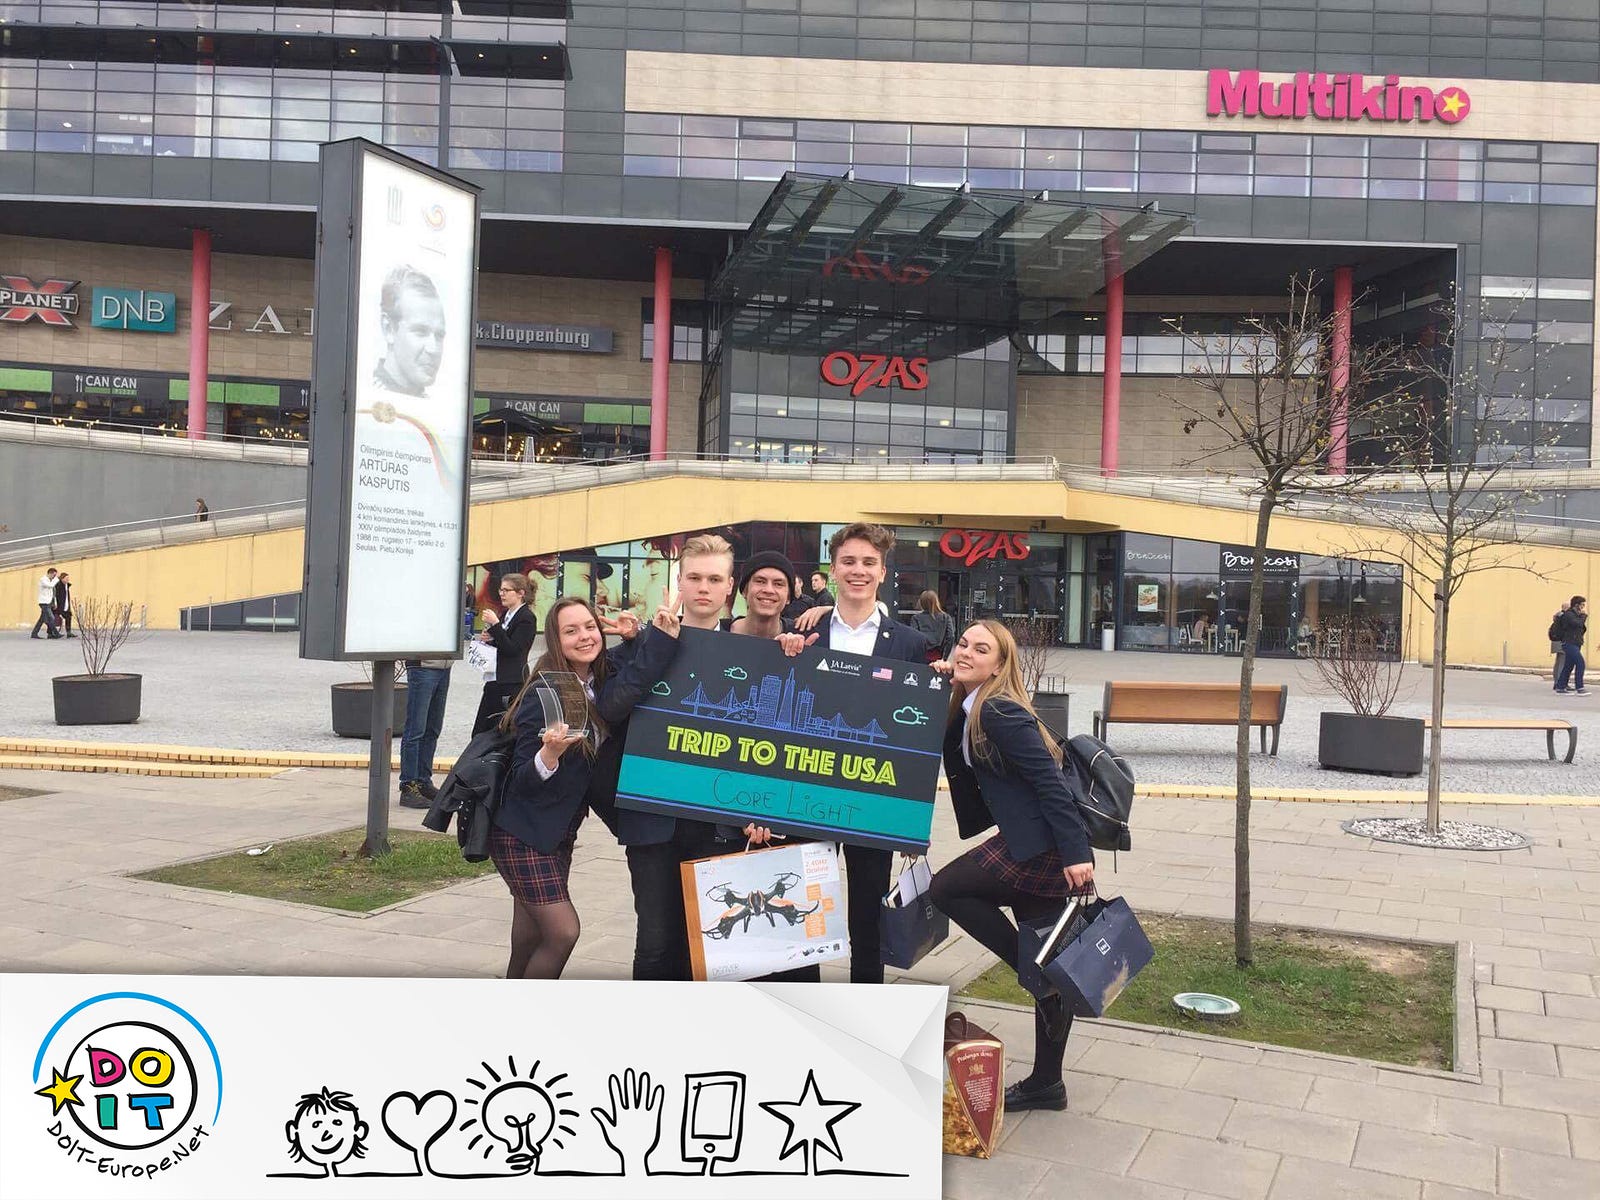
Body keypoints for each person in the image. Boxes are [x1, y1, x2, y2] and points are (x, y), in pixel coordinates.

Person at [926, 619, 1094, 1113]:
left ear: (1000, 665)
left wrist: (1076, 853)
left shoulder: (999, 710)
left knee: (947, 889)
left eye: (981, 650)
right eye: (963, 644)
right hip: (1030, 841)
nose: (966, 652)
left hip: (1042, 847)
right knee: (1049, 965)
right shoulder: (973, 704)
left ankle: (1034, 970)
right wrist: (946, 684)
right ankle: (1047, 1084)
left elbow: (1049, 782)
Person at [490, 595, 681, 979]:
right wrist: (549, 754)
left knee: (529, 935)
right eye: (571, 631)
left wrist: (634, 637)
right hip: (522, 834)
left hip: (557, 833)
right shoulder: (545, 693)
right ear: (555, 640)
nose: (584, 637)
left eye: (590, 627)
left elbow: (632, 674)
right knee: (563, 932)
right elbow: (522, 779)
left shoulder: (596, 679)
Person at [779, 522, 929, 984]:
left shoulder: (909, 644)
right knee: (804, 915)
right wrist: (783, 652)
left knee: (867, 919)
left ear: (882, 572)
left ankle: (864, 1008)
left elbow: (918, 734)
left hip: (871, 800)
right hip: (808, 794)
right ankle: (804, 1009)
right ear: (833, 568)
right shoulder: (802, 631)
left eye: (868, 562)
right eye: (848, 561)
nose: (858, 570)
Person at [613, 534, 740, 980]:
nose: (704, 587)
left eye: (714, 579)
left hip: (719, 823)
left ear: (729, 587)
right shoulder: (642, 643)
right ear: (679, 582)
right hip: (653, 820)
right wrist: (657, 644)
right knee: (654, 944)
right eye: (695, 577)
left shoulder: (753, 652)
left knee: (710, 947)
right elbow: (611, 707)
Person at [472, 573, 537, 734]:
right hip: (495, 678)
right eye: (501, 590)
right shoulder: (505, 614)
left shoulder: (526, 618)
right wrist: (490, 639)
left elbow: (513, 649)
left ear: (520, 593)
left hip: (512, 681)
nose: (502, 594)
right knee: (480, 730)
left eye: (506, 590)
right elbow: (501, 642)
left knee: (502, 729)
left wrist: (495, 625)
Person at [372, 265, 445, 398]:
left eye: (439, 335)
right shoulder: (369, 399)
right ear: (388, 329)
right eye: (420, 332)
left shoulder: (433, 406)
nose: (433, 349)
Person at [398, 652, 452, 809]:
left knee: (432, 730)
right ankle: (408, 785)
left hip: (444, 665)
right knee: (415, 730)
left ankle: (423, 781)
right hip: (423, 666)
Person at [908, 589, 957, 664]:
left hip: (921, 656)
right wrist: (944, 657)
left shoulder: (916, 618)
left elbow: (913, 638)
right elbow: (951, 637)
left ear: (922, 603)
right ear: (936, 601)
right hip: (938, 655)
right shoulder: (946, 617)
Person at [1554, 596, 1588, 696]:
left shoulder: (1576, 615)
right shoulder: (1569, 614)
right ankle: (1580, 688)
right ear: (1576, 605)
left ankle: (1560, 687)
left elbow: (1581, 628)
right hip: (1569, 643)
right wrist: (1583, 616)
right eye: (1582, 605)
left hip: (1576, 643)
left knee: (1568, 666)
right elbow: (1578, 624)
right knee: (1580, 663)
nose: (1583, 607)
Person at [31, 567, 61, 639]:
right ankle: (56, 633)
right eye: (54, 575)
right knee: (51, 618)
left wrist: (54, 603)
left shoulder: (50, 581)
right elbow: (50, 586)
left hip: (48, 602)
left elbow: (53, 593)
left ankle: (34, 633)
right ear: (50, 573)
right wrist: (56, 579)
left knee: (42, 620)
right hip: (44, 602)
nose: (54, 577)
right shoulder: (43, 580)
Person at [1553, 599, 1572, 689]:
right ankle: (1560, 683)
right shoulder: (1564, 617)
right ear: (1567, 608)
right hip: (1562, 641)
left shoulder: (1558, 616)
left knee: (1558, 662)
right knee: (1563, 663)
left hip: (1556, 640)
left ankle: (1556, 682)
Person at [53, 571, 74, 637]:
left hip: (66, 606)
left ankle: (69, 632)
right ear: (62, 579)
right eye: (66, 578)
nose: (68, 579)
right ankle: (53, 633)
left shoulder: (67, 586)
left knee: (68, 617)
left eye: (68, 578)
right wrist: (56, 605)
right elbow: (55, 596)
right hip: (59, 606)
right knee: (56, 620)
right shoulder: (58, 585)